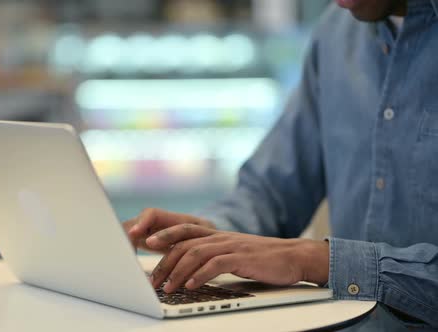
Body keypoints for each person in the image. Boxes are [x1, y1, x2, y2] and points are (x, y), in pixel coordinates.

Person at [123, 0, 438, 329]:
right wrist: (207, 236)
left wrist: (318, 261)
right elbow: (272, 192)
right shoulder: (336, 31)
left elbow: (313, 256)